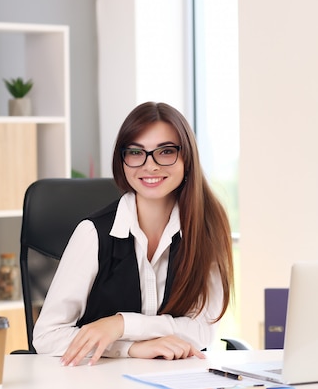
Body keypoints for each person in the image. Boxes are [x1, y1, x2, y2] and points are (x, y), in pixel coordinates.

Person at [32, 101, 234, 366]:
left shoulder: (206, 230)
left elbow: (203, 330)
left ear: (187, 158)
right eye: (136, 152)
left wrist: (120, 325)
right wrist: (130, 348)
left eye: (166, 151)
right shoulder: (92, 234)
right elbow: (47, 336)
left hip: (175, 379)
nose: (150, 166)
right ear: (122, 160)